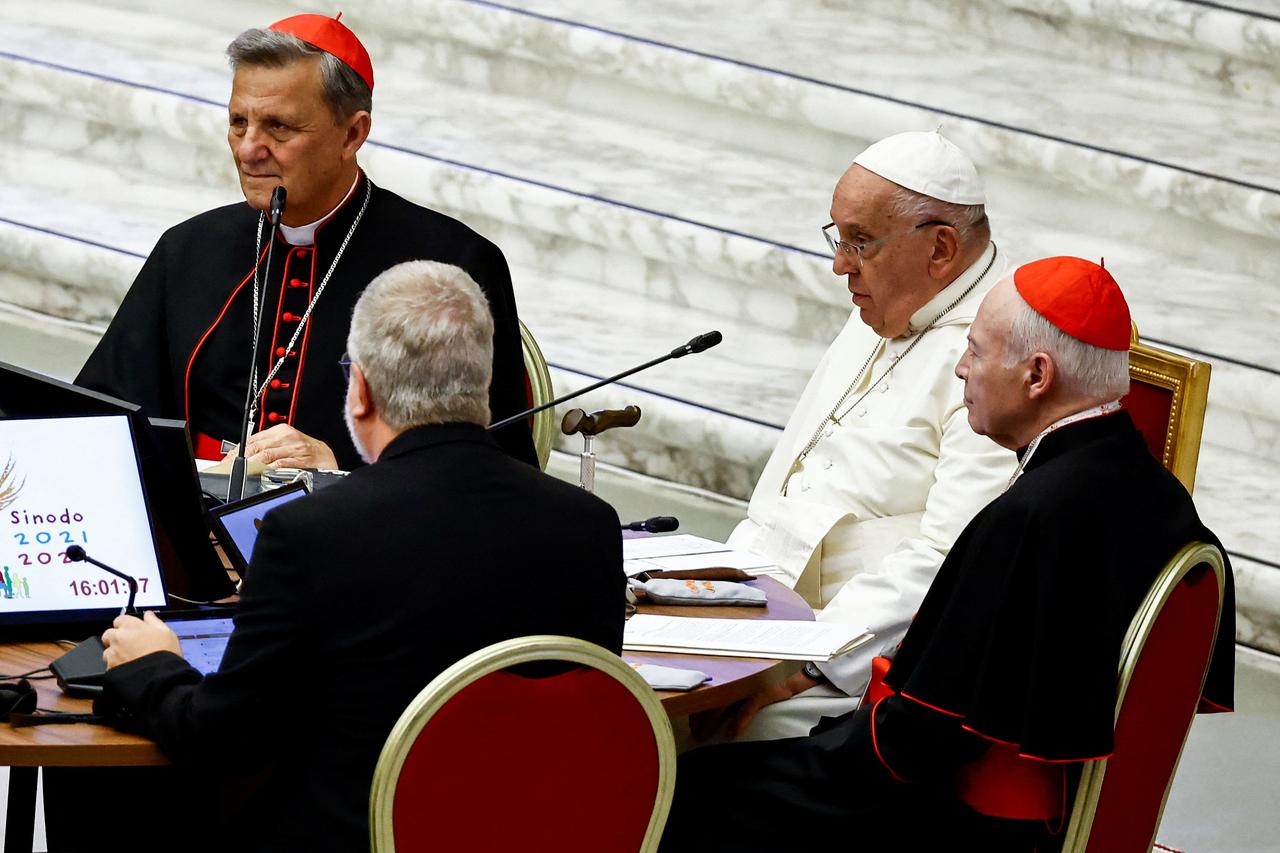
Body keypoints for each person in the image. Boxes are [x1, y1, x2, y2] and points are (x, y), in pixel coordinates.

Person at [661, 257, 1235, 851]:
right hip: (1056, 818)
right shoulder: (1158, 495)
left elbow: (910, 745)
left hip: (964, 826)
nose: (961, 369)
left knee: (693, 783)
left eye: (977, 352)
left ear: (1037, 375)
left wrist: (816, 739)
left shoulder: (1027, 518)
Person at [92, 261, 625, 852]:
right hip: (536, 833)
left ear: (362, 389)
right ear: (486, 379)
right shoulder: (590, 524)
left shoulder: (310, 534)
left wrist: (152, 665)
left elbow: (224, 739)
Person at [75, 13, 536, 470]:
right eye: (239, 122)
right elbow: (103, 416)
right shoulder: (188, 250)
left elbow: (489, 470)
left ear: (352, 134)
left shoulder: (450, 265)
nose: (248, 149)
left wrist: (341, 476)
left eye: (278, 127)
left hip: (358, 535)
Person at [720, 131, 1016, 739]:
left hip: (872, 659)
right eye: (838, 237)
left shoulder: (999, 354)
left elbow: (949, 560)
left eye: (860, 243)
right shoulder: (893, 297)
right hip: (774, 606)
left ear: (940, 249)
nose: (839, 265)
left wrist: (809, 660)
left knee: (727, 732)